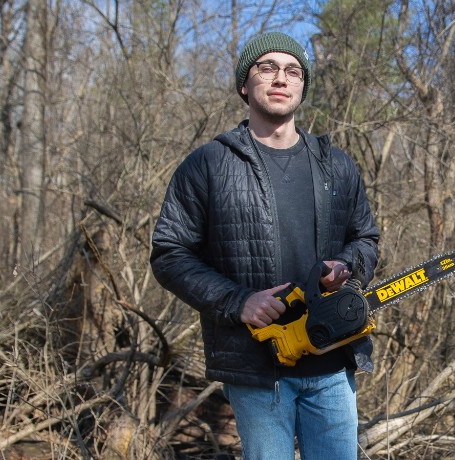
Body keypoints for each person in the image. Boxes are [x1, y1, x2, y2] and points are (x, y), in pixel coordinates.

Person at [150, 31, 380, 459]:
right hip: (257, 365)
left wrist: (348, 266)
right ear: (245, 84)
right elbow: (169, 252)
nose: (281, 78)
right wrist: (238, 301)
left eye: (292, 71)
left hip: (332, 357)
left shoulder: (336, 164)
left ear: (302, 86)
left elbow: (365, 237)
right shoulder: (209, 165)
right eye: (267, 67)